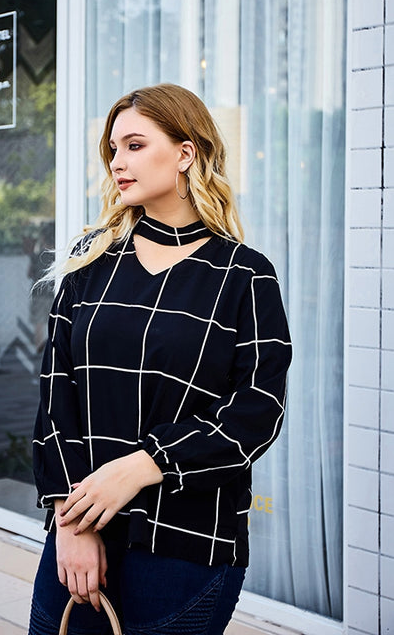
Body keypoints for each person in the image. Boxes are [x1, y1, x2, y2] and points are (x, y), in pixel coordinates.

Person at [28, 83, 292, 635]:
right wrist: (70, 524)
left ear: (185, 153)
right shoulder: (91, 263)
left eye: (135, 145)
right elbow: (57, 396)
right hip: (79, 539)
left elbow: (257, 412)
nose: (117, 163)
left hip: (187, 546)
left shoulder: (244, 275)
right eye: (113, 149)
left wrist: (143, 466)